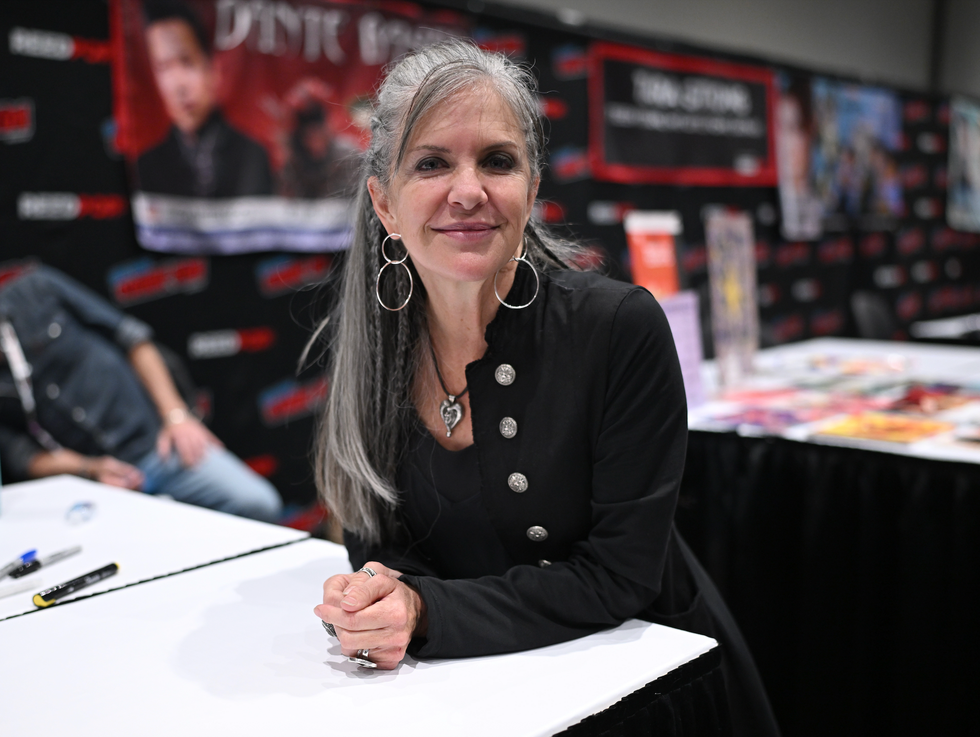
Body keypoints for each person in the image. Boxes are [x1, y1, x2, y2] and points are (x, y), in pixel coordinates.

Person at [310, 41, 780, 736]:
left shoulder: (619, 327)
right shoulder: (375, 341)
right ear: (384, 202)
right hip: (475, 701)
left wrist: (425, 613)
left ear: (531, 189)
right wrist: (378, 595)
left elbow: (619, 577)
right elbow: (378, 532)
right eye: (432, 162)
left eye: (497, 161)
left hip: (641, 693)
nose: (467, 190)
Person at [0, 265, 282, 523]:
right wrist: (90, 469)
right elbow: (24, 457)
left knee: (257, 503)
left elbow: (134, 340)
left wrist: (175, 416)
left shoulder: (37, 289)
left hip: (157, 446)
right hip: (93, 482)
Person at [136, 0, 273, 198]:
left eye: (187, 62)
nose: (179, 85)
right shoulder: (146, 164)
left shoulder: (251, 155)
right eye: (163, 67)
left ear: (213, 69)